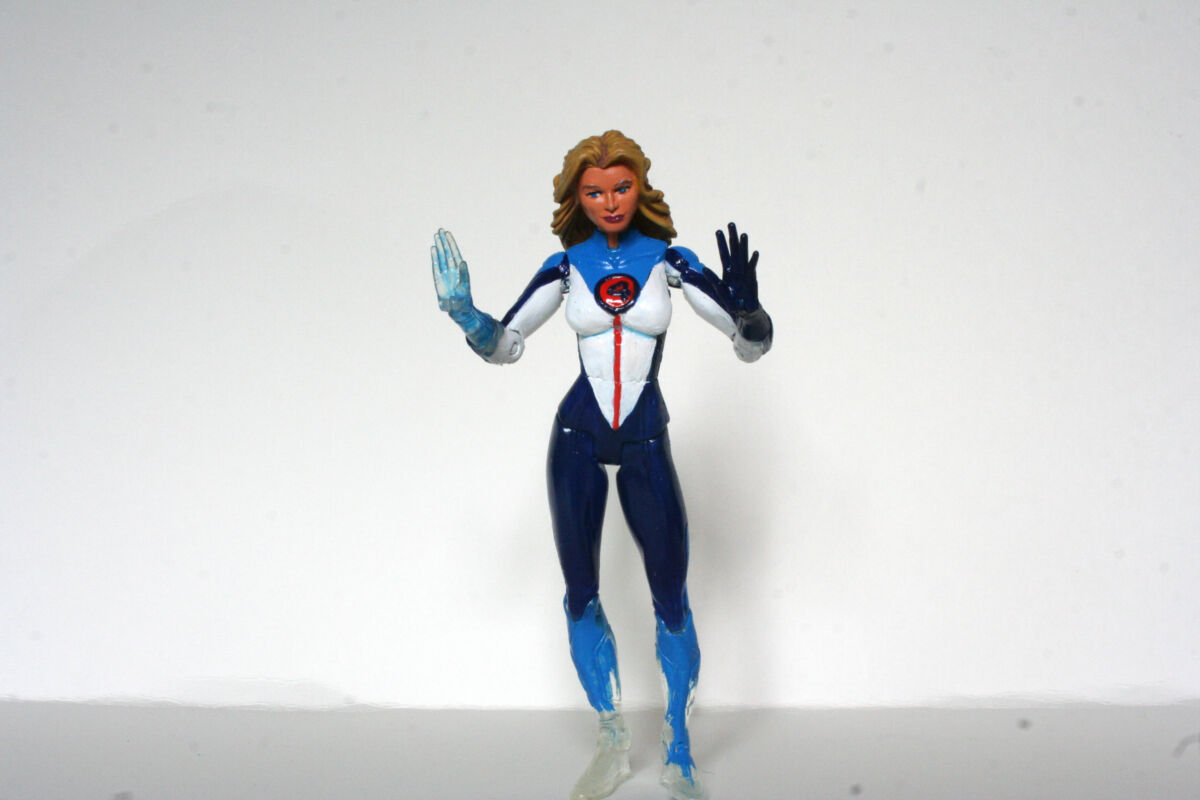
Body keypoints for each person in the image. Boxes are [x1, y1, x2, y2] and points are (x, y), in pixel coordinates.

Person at [431, 130, 772, 800]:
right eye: (594, 192)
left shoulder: (669, 261)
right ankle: (612, 739)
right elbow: (506, 344)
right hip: (578, 435)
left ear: (640, 186)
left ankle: (678, 747)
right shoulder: (566, 266)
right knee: (580, 591)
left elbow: (747, 345)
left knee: (671, 596)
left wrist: (752, 314)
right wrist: (466, 315)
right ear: (576, 198)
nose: (610, 202)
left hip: (644, 436)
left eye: (621, 187)